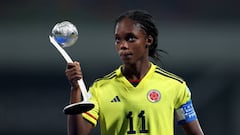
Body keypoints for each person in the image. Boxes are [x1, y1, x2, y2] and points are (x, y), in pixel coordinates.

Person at [65, 10, 204, 135]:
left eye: (130, 38)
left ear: (148, 41)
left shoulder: (175, 86)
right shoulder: (100, 89)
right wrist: (75, 89)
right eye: (117, 40)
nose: (123, 46)